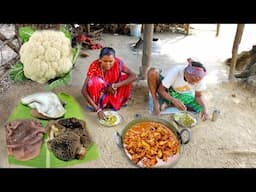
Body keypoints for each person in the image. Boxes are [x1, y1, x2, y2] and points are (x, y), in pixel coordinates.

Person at [81, 47, 137, 120]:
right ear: (100, 59)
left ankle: (112, 103)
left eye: (111, 61)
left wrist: (114, 86)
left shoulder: (118, 63)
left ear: (114, 59)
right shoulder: (94, 66)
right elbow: (83, 90)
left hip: (113, 90)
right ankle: (97, 105)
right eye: (105, 61)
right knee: (94, 82)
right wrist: (98, 110)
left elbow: (134, 76)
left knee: (127, 78)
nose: (108, 64)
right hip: (100, 93)